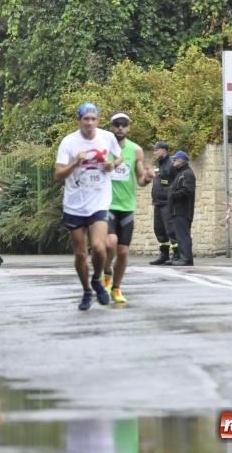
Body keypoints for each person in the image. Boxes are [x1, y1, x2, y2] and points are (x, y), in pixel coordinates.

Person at [54, 103, 122, 310]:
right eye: (86, 119)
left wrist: (113, 164)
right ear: (79, 120)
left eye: (93, 119)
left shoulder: (107, 137)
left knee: (100, 247)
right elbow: (58, 175)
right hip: (74, 204)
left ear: (98, 121)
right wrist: (75, 163)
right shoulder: (69, 142)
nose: (90, 123)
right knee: (81, 253)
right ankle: (86, 291)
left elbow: (119, 156)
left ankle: (97, 279)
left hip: (99, 201)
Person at [103, 113, 154, 303]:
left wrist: (147, 179)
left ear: (129, 127)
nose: (120, 128)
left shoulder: (136, 150)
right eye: (117, 124)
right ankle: (106, 275)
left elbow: (140, 180)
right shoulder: (102, 148)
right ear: (110, 126)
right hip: (106, 205)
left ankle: (116, 288)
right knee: (110, 244)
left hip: (126, 207)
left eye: (124, 124)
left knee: (123, 251)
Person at [149, 141, 179, 265]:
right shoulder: (158, 164)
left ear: (163, 151)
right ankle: (164, 255)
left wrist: (171, 195)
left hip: (167, 202)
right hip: (157, 202)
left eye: (156, 150)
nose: (154, 152)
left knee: (171, 229)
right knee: (159, 230)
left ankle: (177, 254)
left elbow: (177, 182)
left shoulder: (172, 164)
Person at [167, 150, 195, 267]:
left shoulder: (186, 174)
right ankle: (183, 257)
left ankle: (186, 259)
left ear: (181, 161)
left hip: (182, 210)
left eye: (175, 159)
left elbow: (188, 190)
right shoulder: (181, 173)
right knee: (180, 236)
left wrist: (173, 194)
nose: (173, 161)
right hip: (177, 210)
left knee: (183, 236)